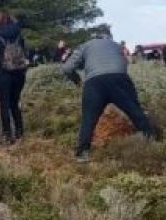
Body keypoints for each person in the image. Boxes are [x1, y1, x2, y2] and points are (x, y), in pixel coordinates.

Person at [62, 33, 154, 162]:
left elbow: (67, 68)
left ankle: (82, 153)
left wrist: (77, 81)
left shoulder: (85, 46)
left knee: (88, 119)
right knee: (135, 112)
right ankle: (152, 142)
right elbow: (124, 63)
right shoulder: (116, 45)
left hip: (94, 83)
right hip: (119, 78)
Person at [0, 10, 29, 144]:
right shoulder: (18, 34)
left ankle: (7, 134)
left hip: (3, 73)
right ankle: (20, 132)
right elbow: (25, 51)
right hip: (19, 73)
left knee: (4, 105)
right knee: (15, 103)